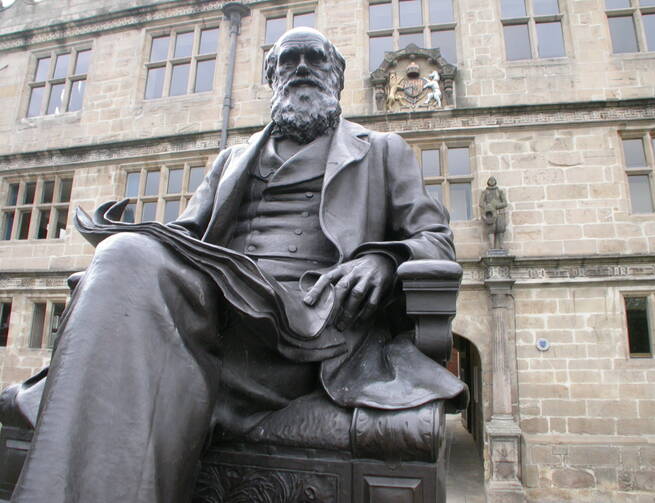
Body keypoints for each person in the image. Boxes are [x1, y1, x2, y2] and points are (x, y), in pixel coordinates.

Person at [10, 28, 466, 503]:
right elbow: (187, 235)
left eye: (315, 59)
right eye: (288, 62)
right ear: (272, 79)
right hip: (220, 310)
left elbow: (435, 239)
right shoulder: (230, 158)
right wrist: (127, 238)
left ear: (337, 78)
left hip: (306, 327)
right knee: (123, 252)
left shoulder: (382, 150)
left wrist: (383, 258)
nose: (302, 69)